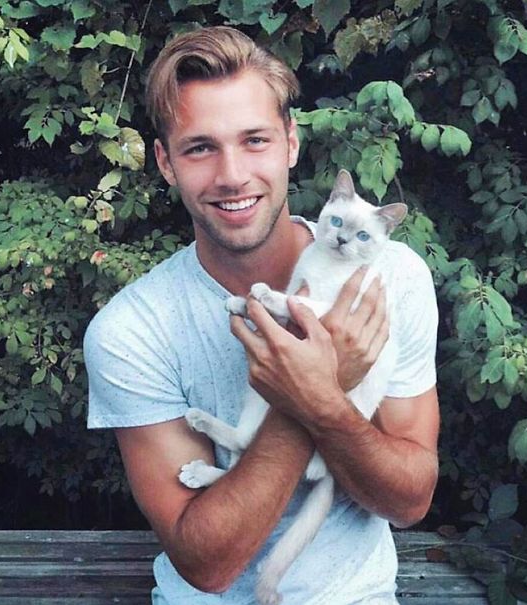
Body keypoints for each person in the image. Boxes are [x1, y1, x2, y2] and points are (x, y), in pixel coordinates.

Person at [84, 26, 440, 605]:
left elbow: (409, 503)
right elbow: (208, 565)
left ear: (291, 144)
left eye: (255, 140)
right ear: (165, 162)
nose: (232, 174)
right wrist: (314, 393)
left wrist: (323, 400)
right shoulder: (132, 330)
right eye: (200, 148)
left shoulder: (394, 277)